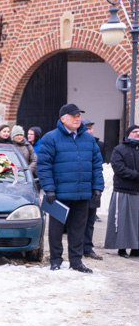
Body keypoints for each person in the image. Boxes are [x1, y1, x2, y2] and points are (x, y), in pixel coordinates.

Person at [37, 103, 104, 273]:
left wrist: (97, 187)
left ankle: (76, 261)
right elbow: (44, 165)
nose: (77, 119)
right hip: (59, 193)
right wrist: (49, 188)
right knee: (56, 229)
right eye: (74, 116)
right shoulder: (50, 138)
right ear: (63, 119)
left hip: (82, 193)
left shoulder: (88, 139)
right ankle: (56, 260)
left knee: (78, 229)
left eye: (79, 116)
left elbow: (96, 165)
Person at [104, 124, 139, 257]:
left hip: (137, 190)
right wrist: (136, 175)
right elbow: (119, 168)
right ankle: (122, 247)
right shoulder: (119, 149)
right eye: (135, 131)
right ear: (128, 134)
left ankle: (136, 247)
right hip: (123, 190)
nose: (138, 134)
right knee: (122, 221)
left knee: (137, 222)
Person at [83, 118, 105, 261]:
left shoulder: (99, 145)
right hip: (78, 188)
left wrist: (98, 187)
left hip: (92, 187)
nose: (90, 131)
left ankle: (88, 248)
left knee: (90, 221)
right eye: (87, 128)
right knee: (77, 221)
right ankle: (76, 248)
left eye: (91, 128)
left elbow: (99, 168)